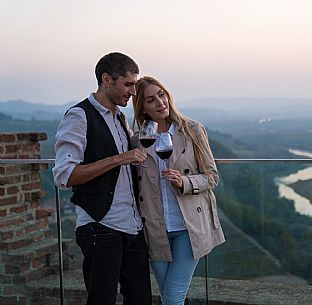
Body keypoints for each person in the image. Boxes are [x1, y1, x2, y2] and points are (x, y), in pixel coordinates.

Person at [52, 52, 152, 305]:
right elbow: (64, 175)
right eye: (128, 84)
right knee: (102, 300)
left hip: (132, 225)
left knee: (141, 300)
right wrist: (119, 158)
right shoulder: (79, 116)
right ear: (106, 79)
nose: (133, 91)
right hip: (100, 226)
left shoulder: (120, 116)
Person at [131, 76, 225, 305]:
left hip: (187, 227)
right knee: (170, 299)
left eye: (161, 95)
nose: (160, 103)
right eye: (151, 100)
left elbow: (212, 176)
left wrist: (185, 182)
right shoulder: (138, 141)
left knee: (172, 299)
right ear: (142, 107)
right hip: (155, 230)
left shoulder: (192, 130)